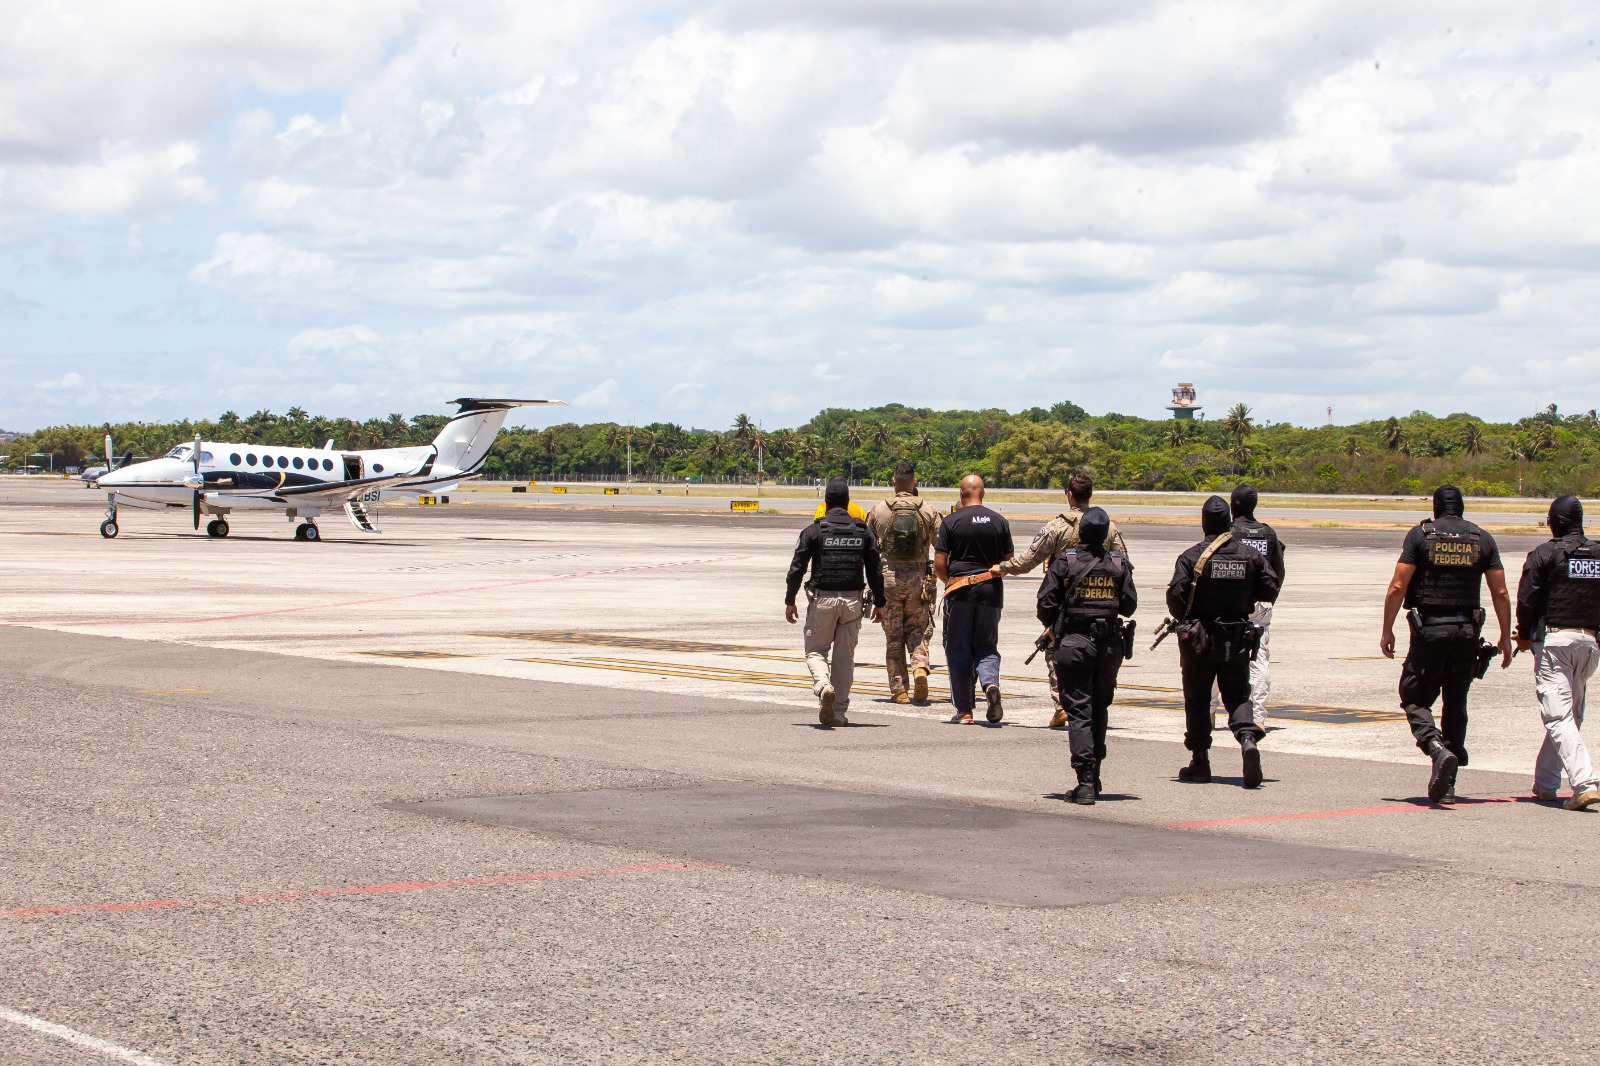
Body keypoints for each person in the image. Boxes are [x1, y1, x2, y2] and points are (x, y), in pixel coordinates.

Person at [1380, 485, 1512, 804]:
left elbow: (1399, 586)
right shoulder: (1482, 539)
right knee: (1456, 702)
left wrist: (1387, 630)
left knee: (1414, 697)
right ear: (1462, 509)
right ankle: (1448, 784)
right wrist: (1505, 637)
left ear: (1436, 508)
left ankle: (1436, 749)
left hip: (1432, 631)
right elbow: (1501, 593)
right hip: (1467, 631)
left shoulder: (1420, 536)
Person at [997, 472, 1128, 728]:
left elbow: (1028, 560)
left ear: (1069, 495)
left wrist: (1001, 567)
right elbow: (1123, 563)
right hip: (1100, 603)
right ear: (1090, 495)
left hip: (1064, 604)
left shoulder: (1057, 527)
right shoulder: (1109, 528)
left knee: (1055, 650)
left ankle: (1062, 705)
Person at [1167, 496, 1279, 788]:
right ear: (1228, 522)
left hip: (1200, 639)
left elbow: (1175, 601)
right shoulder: (1249, 555)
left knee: (1198, 698)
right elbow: (1270, 587)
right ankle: (1247, 738)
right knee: (1238, 695)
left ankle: (1200, 762)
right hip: (1236, 637)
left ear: (1204, 523)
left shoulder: (1191, 557)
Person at [1036, 507, 1136, 804]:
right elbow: (1129, 606)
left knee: (1079, 711)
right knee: (1099, 709)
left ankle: (1086, 780)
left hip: (1075, 644)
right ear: (1106, 534)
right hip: (1108, 647)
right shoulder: (1119, 564)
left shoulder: (1064, 562)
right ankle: (1096, 773)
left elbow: (1044, 605)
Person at [1513, 495, 1600, 811]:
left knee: (1558, 715)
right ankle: (1546, 784)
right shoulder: (1598, 554)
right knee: (1570, 716)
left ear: (1553, 522)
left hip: (1555, 644)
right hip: (1589, 644)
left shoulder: (1545, 553)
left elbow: (1527, 600)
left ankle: (1584, 783)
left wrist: (1523, 636)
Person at [786, 476, 886, 727]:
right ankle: (839, 712)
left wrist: (790, 600)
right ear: (848, 501)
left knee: (815, 651)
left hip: (823, 601)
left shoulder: (814, 530)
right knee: (844, 659)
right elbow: (875, 570)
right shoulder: (864, 531)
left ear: (826, 502)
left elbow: (797, 568)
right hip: (853, 603)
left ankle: (823, 686)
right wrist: (881, 603)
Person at [934, 474, 1014, 724]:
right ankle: (990, 685)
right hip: (990, 592)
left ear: (961, 492)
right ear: (984, 492)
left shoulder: (951, 521)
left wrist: (950, 581)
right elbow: (1008, 561)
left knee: (958, 649)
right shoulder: (999, 521)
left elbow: (939, 564)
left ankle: (965, 710)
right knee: (986, 647)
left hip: (960, 593)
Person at [866, 461, 943, 703]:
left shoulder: (879, 510)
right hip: (918, 579)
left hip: (889, 579)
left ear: (894, 480)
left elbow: (868, 548)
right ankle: (920, 666)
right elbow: (941, 545)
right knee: (916, 629)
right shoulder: (929, 510)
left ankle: (899, 690)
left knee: (894, 636)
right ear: (914, 481)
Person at [1228, 484, 1285, 730]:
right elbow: (1279, 571)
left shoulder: (1230, 532)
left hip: (1233, 601)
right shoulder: (1269, 533)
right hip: (1261, 603)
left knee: (1219, 653)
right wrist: (1269, 598)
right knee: (1259, 659)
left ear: (1234, 505)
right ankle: (1259, 717)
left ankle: (1208, 712)